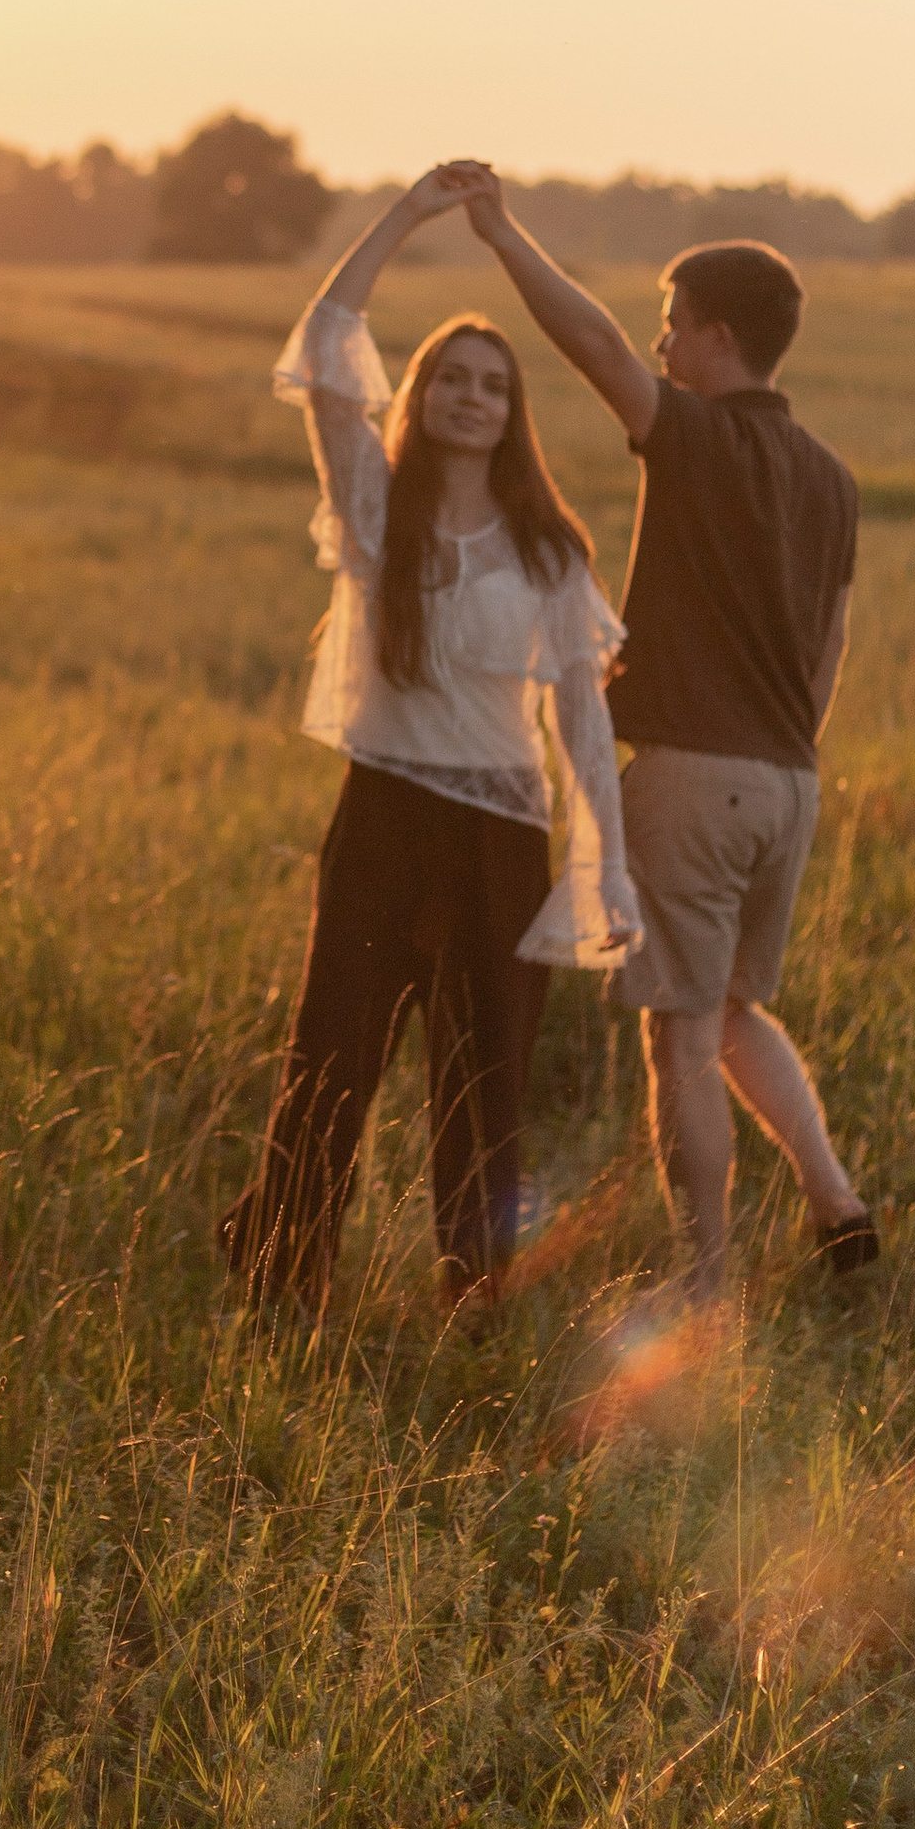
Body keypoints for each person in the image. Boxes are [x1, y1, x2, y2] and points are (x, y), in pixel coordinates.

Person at [222, 165, 642, 1325]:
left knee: (484, 1082)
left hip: (500, 835)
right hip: (383, 817)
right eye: (450, 378)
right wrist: (407, 216)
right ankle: (281, 1282)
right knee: (331, 1066)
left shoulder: (550, 551)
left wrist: (600, 863)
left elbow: (581, 717)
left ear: (513, 413)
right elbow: (325, 346)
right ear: (423, 394)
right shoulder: (374, 508)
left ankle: (474, 1294)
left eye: (493, 385)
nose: (470, 396)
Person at [450, 176, 873, 1296]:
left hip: (693, 778)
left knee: (678, 1041)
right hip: (790, 782)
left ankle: (705, 1282)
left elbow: (587, 341)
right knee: (733, 1011)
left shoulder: (691, 438)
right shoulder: (831, 478)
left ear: (716, 338)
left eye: (672, 322)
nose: (657, 340)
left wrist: (499, 231)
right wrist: (781, 750)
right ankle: (836, 1203)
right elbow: (830, 647)